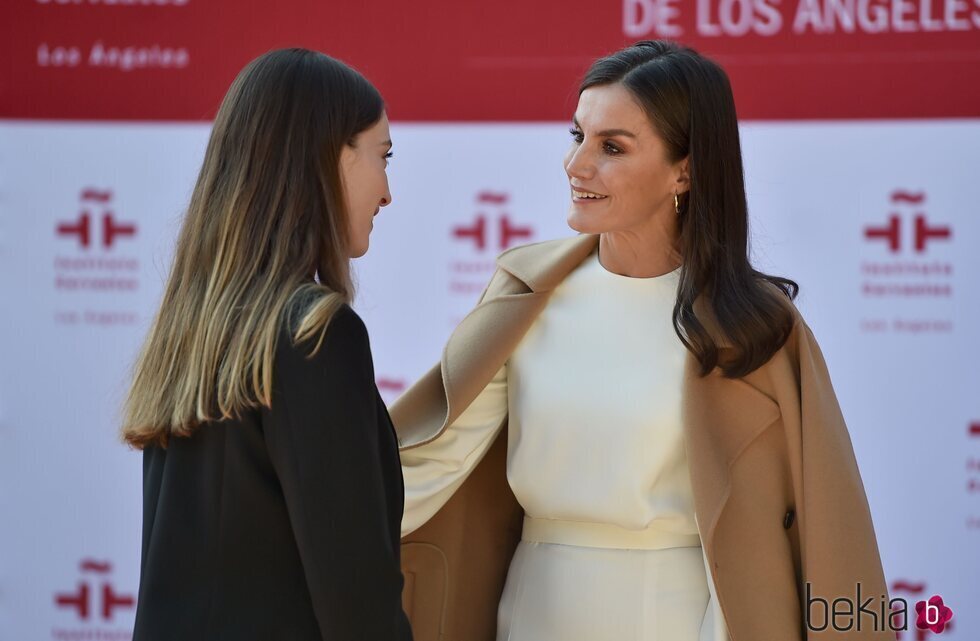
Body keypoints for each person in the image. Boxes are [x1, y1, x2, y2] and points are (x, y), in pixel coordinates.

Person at [393, 41, 892, 641]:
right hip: (530, 610)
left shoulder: (755, 329)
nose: (576, 165)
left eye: (611, 147)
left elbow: (828, 523)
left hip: (683, 618)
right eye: (576, 136)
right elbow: (426, 466)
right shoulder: (525, 294)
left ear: (685, 169)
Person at [121, 48, 412, 641]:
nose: (387, 192)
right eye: (382, 156)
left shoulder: (200, 326)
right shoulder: (314, 332)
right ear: (327, 157)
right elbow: (355, 602)